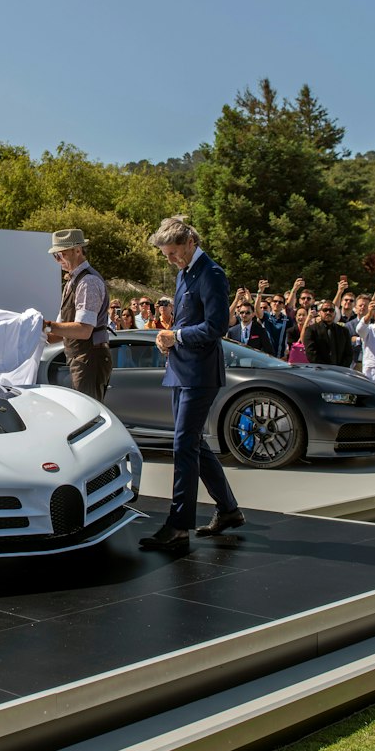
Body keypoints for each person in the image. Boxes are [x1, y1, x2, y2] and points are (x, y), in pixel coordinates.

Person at [138, 217, 242, 554]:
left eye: (173, 253)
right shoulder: (185, 273)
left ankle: (179, 526)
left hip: (200, 373)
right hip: (182, 368)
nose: (170, 260)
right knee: (192, 443)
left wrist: (176, 336)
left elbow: (216, 327)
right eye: (166, 255)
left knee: (184, 444)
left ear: (190, 243)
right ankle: (228, 510)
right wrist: (168, 338)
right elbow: (185, 322)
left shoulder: (211, 273)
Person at [43, 228, 112, 402]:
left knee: (88, 411)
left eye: (61, 255)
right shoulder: (73, 282)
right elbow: (60, 333)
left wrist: (47, 325)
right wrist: (34, 334)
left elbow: (83, 330)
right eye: (55, 256)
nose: (58, 260)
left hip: (89, 358)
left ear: (78, 250)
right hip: (81, 358)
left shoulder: (88, 282)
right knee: (82, 409)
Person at [303, 300, 353, 367]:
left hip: (340, 369)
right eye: (325, 310)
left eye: (331, 310)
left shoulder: (344, 331)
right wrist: (324, 367)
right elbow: (311, 353)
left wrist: (341, 367)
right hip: (318, 369)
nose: (328, 312)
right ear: (320, 312)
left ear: (335, 313)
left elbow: (349, 353)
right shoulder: (311, 330)